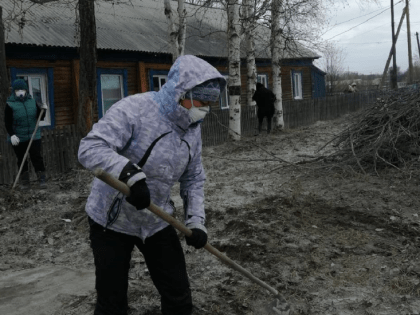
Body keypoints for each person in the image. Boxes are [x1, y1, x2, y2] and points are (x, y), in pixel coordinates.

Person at [78, 55, 226, 315]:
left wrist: (195, 220)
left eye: (210, 103)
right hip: (112, 221)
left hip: (156, 219)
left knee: (179, 296)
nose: (206, 109)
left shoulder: (192, 127)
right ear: (182, 93)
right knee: (112, 302)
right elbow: (90, 147)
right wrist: (129, 174)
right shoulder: (135, 109)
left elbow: (193, 178)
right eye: (202, 101)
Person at [4, 79, 48, 189]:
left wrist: (44, 110)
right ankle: (25, 182)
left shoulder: (32, 102)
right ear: (14, 91)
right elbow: (7, 122)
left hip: (34, 135)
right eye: (18, 90)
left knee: (36, 157)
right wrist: (12, 135)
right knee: (21, 159)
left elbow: (40, 118)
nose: (20, 92)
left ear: (26, 90)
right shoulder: (10, 104)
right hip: (19, 137)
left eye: (22, 89)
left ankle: (42, 179)